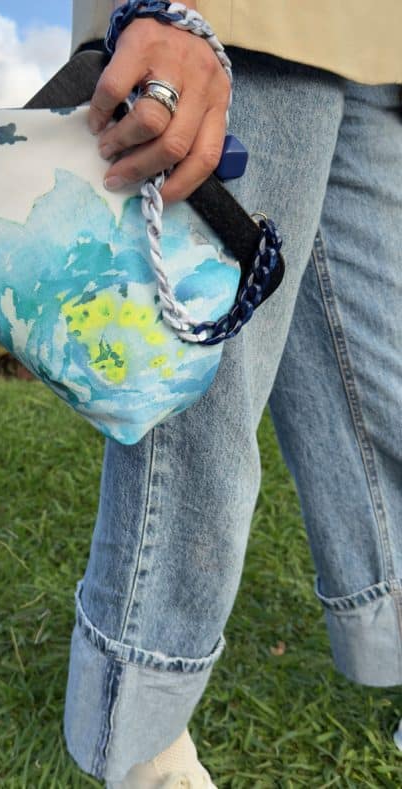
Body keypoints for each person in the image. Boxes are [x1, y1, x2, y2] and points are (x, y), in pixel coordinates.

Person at [63, 1, 402, 786]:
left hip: (380, 46)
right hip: (248, 22)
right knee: (202, 403)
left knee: (383, 387)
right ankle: (139, 728)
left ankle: (389, 634)